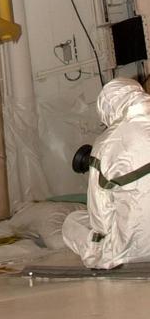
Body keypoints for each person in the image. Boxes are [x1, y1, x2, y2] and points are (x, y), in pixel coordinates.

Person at [62, 76, 150, 269]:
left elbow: (100, 218)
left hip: (136, 251)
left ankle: (109, 257)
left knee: (73, 221)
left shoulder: (105, 145)